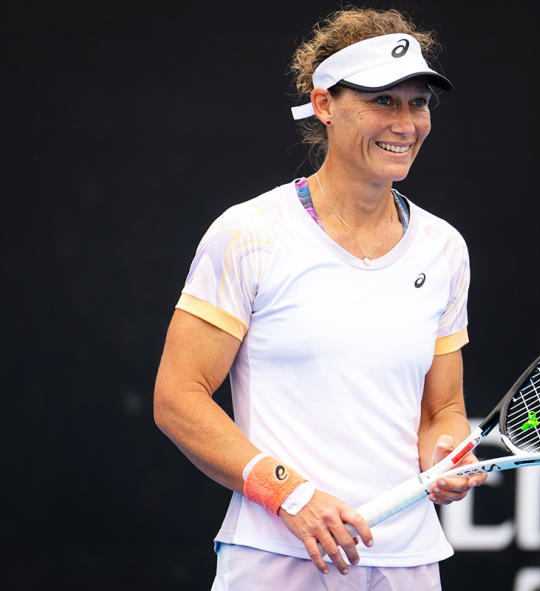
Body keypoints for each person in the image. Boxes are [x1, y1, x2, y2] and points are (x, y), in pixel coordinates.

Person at [154, 8, 484, 590]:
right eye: (383, 101)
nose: (405, 123)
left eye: (418, 102)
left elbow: (441, 411)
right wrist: (289, 494)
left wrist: (443, 452)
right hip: (276, 559)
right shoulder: (248, 233)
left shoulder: (444, 249)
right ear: (325, 105)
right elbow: (178, 397)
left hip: (406, 561)